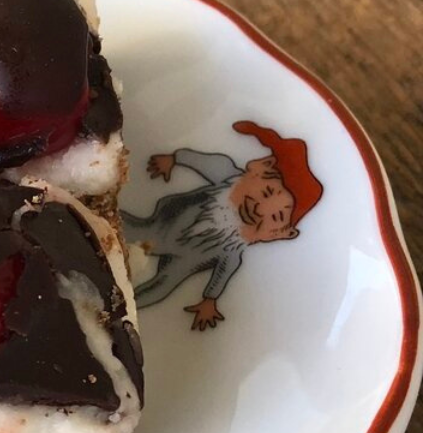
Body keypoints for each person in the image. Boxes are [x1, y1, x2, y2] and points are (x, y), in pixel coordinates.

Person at [123, 120, 322, 331]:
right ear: (259, 168)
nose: (258, 210)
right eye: (266, 193)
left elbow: (223, 274)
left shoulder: (231, 251)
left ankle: (122, 311)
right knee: (131, 230)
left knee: (163, 286)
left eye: (275, 217)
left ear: (279, 234)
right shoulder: (225, 172)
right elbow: (203, 161)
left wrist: (209, 301)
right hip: (168, 225)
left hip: (189, 258)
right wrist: (174, 159)